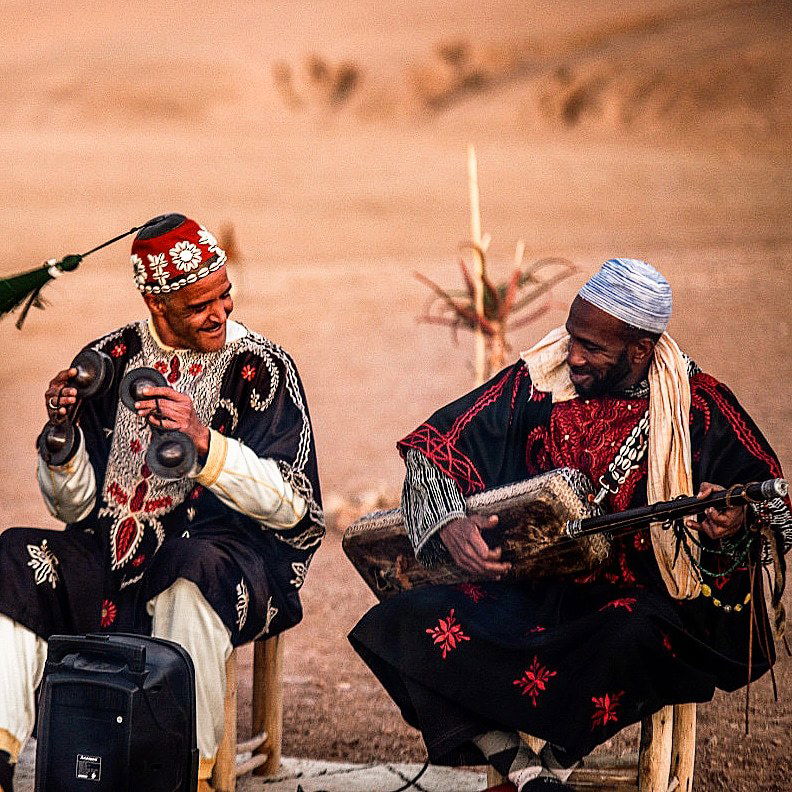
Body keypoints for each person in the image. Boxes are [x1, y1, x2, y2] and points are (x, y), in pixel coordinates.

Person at [349, 258, 791, 792]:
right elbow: (433, 446)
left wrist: (735, 519)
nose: (574, 356)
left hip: (643, 604)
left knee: (629, 636)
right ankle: (525, 770)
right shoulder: (539, 380)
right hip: (539, 594)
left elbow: (771, 505)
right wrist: (447, 521)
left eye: (593, 348)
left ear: (640, 350)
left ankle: (548, 766)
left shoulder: (699, 405)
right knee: (399, 620)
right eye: (572, 336)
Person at [0, 213, 324, 792]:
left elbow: (293, 507)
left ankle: (185, 772)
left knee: (189, 572)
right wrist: (62, 442)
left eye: (225, 296)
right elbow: (73, 512)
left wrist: (206, 444)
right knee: (15, 559)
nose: (220, 313)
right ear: (157, 303)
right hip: (110, 560)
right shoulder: (110, 356)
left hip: (231, 563)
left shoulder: (262, 370)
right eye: (200, 304)